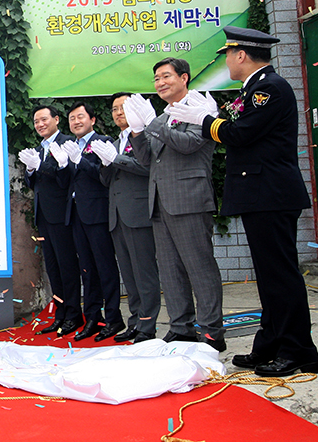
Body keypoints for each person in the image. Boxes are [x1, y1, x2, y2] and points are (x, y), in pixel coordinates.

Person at [170, 26, 318, 375]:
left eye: (227, 53)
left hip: (269, 192)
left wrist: (206, 120)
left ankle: (298, 350)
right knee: (269, 277)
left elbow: (240, 133)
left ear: (241, 55)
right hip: (260, 193)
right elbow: (236, 124)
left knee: (280, 276)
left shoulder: (269, 89)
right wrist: (215, 116)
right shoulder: (253, 89)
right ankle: (270, 343)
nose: (226, 59)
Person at [124, 57, 226, 352]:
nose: (160, 83)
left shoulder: (201, 107)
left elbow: (189, 144)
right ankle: (181, 327)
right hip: (160, 202)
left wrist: (152, 122)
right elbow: (146, 159)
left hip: (189, 198)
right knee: (170, 269)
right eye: (156, 78)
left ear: (184, 77)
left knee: (200, 267)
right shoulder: (166, 115)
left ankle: (211, 331)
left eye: (166, 76)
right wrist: (137, 132)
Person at [51, 102, 123, 342]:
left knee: (105, 267)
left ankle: (113, 317)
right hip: (76, 214)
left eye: (80, 117)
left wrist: (78, 161)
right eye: (72, 118)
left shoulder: (103, 142)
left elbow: (104, 176)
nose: (76, 122)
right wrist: (63, 165)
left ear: (92, 119)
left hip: (97, 213)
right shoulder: (71, 146)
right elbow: (65, 184)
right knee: (87, 270)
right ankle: (92, 316)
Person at [92, 93, 160, 343]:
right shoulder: (118, 140)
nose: (118, 113)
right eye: (114, 109)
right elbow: (107, 180)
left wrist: (117, 159)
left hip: (138, 213)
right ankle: (135, 321)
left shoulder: (144, 135)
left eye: (123, 108)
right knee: (129, 274)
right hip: (117, 214)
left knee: (144, 273)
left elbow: (148, 166)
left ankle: (147, 324)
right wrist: (106, 162)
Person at [18, 106, 83, 337]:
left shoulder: (66, 144)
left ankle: (74, 314)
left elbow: (65, 178)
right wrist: (31, 169)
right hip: (43, 216)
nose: (40, 124)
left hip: (62, 215)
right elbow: (33, 183)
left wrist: (41, 165)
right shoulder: (38, 149)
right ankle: (61, 313)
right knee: (53, 269)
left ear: (56, 119)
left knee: (67, 266)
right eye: (36, 121)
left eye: (44, 119)